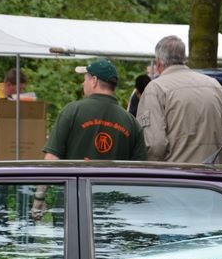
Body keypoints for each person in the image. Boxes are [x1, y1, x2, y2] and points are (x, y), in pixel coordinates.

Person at [32, 58, 146, 219]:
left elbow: (52, 159)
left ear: (94, 81)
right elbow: (140, 173)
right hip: (115, 212)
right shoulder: (132, 123)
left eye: (85, 78)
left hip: (72, 206)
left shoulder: (72, 111)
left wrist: (39, 197)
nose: (82, 83)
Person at [137, 35, 222, 165]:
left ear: (158, 63)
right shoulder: (215, 86)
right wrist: (219, 165)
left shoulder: (156, 89)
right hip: (212, 174)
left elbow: (154, 144)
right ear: (184, 58)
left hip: (175, 175)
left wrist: (157, 171)